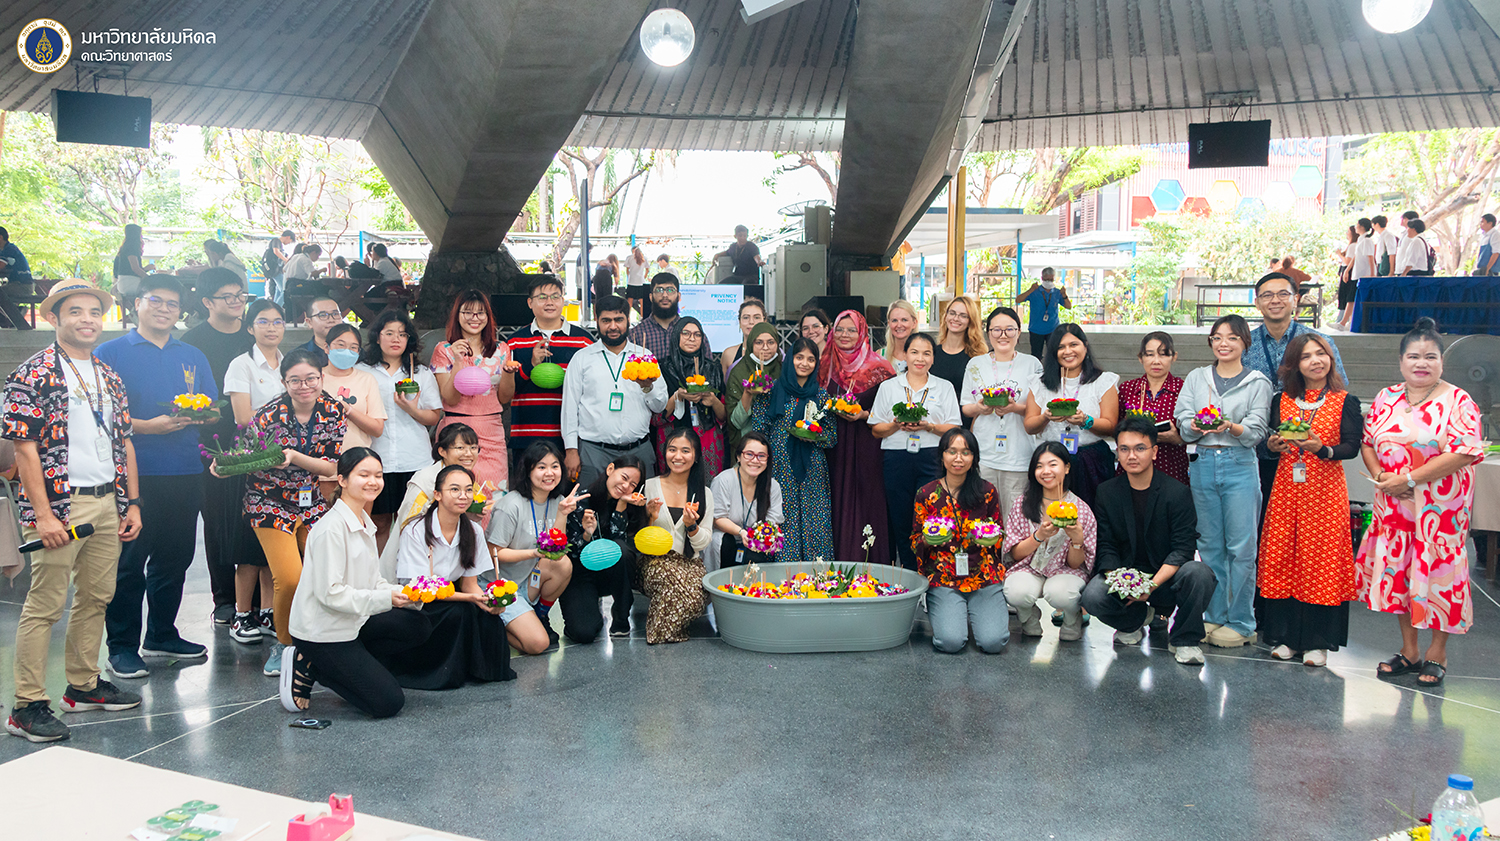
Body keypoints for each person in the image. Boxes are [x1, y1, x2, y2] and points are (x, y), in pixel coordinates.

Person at [3, 280, 143, 743]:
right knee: (45, 604)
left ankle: (82, 685)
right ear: (54, 318)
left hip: (107, 500)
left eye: (93, 312)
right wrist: (43, 515)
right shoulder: (34, 372)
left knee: (97, 596)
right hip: (62, 503)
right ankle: (26, 705)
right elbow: (23, 449)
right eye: (75, 312)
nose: (87, 319)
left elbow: (123, 441)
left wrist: (132, 502)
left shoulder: (108, 374)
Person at [95, 275, 218, 680]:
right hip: (134, 474)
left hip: (185, 468)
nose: (165, 309)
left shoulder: (193, 355)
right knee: (129, 562)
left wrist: (197, 414)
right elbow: (98, 415)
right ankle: (122, 646)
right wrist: (146, 426)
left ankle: (162, 633)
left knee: (175, 557)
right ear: (137, 304)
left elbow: (214, 410)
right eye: (156, 301)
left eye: (172, 303)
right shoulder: (109, 353)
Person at [1358, 318, 1484, 688]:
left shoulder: (1458, 400)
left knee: (1438, 579)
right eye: (1413, 356)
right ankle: (1409, 649)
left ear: (1442, 362)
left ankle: (1437, 653)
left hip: (1440, 512)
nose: (1421, 363)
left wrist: (1410, 478)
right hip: (1394, 509)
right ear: (1401, 361)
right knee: (1400, 575)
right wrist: (1382, 476)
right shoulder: (1387, 396)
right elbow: (1368, 443)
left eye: (1430, 357)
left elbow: (1465, 452)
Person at [281, 449, 431, 718]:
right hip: (322, 633)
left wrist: (405, 592)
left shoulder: (364, 521)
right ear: (342, 480)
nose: (373, 481)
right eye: (363, 475)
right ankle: (312, 663)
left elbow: (374, 581)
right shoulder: (331, 529)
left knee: (417, 625)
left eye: (378, 475)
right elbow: (331, 595)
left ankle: (345, 665)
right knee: (388, 703)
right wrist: (387, 600)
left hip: (353, 622)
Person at [222, 348, 345, 677]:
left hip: (311, 500)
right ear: (283, 382)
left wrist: (293, 456)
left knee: (324, 568)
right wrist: (225, 464)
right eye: (295, 380)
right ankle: (285, 644)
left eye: (311, 379)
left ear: (321, 377)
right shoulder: (268, 414)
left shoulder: (333, 410)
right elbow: (243, 455)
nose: (304, 386)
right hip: (268, 501)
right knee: (289, 578)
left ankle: (323, 638)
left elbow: (332, 466)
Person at [1260, 333, 1363, 667]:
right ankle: (1287, 637)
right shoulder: (1282, 400)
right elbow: (1270, 441)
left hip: (1325, 493)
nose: (1316, 361)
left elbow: (1351, 446)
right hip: (1287, 492)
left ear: (1331, 359)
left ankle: (1317, 641)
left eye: (1322, 354)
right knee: (1283, 558)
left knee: (1320, 564)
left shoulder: (1344, 400)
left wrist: (1323, 450)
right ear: (1295, 364)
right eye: (1306, 356)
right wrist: (1273, 446)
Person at [1081, 415, 1215, 665]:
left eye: (1140, 448)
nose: (1132, 456)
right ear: (1117, 453)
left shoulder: (1177, 493)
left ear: (1154, 452)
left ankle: (1185, 639)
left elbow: (1183, 549)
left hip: (1166, 575)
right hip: (1127, 576)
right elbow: (1106, 545)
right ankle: (1135, 620)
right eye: (1124, 449)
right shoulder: (1107, 492)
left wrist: (1150, 586)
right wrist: (1122, 583)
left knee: (1199, 573)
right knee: (1093, 595)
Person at [1175, 314, 1272, 649]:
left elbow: (1257, 431)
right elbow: (1183, 420)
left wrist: (1229, 427)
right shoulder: (1197, 377)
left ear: (1245, 341)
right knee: (1210, 547)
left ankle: (1243, 621)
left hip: (1239, 464)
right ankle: (1215, 615)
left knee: (1241, 548)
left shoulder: (1258, 381)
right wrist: (1197, 427)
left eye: (1232, 337)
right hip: (1201, 462)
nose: (1224, 344)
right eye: (1217, 337)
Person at [384, 463, 515, 689]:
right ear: (437, 495)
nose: (463, 496)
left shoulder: (473, 530)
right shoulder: (415, 529)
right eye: (454, 490)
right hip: (419, 601)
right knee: (458, 611)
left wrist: (488, 602)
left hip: (455, 595)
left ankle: (477, 671)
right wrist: (470, 599)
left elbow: (470, 584)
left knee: (490, 617)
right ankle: (439, 675)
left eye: (468, 490)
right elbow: (419, 589)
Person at [181, 268, 255, 624]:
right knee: (217, 519)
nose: (237, 302)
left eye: (240, 294)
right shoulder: (192, 342)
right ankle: (223, 597)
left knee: (254, 516)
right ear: (207, 302)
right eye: (228, 296)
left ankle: (255, 599)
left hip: (258, 442)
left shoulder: (253, 337)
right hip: (211, 443)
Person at [1245, 272, 1347, 514]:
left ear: (1296, 299)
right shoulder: (1245, 344)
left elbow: (1337, 389)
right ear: (1257, 302)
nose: (1275, 300)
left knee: (1310, 522)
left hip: (1309, 449)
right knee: (1263, 521)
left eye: (1283, 294)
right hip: (1258, 448)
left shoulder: (1320, 342)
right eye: (1267, 295)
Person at [869, 332, 961, 569]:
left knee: (933, 518)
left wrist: (929, 426)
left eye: (926, 353)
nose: (920, 358)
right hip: (896, 457)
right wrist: (895, 425)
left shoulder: (944, 387)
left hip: (932, 457)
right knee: (901, 520)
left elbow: (954, 427)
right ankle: (910, 573)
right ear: (905, 356)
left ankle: (934, 572)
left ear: (933, 359)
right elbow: (876, 430)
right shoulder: (889, 387)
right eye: (915, 352)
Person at [221, 299, 284, 643]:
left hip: (286, 463)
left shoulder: (289, 365)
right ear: (250, 327)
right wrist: (283, 425)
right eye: (263, 321)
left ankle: (268, 613)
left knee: (272, 541)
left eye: (277, 321)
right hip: (252, 460)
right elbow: (244, 417)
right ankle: (241, 614)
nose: (271, 327)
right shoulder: (241, 365)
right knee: (248, 544)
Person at [914, 428, 1009, 653]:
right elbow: (915, 540)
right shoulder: (927, 494)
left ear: (974, 457)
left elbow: (999, 533)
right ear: (942, 456)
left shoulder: (987, 491)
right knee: (950, 643)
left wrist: (990, 538)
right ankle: (949, 610)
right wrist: (928, 540)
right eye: (952, 451)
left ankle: (976, 610)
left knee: (993, 643)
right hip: (943, 575)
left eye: (966, 452)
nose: (958, 458)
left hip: (983, 574)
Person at [485, 442, 583, 653]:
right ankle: (491, 621)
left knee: (563, 563)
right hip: (500, 585)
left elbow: (557, 547)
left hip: (528, 581)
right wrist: (533, 553)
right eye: (541, 467)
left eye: (555, 466)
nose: (549, 473)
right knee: (538, 645)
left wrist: (562, 514)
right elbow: (494, 554)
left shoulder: (557, 501)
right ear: (527, 470)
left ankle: (539, 615)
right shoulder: (510, 505)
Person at [563, 295, 668, 489]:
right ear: (597, 321)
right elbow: (570, 408)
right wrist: (571, 450)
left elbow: (660, 406)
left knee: (640, 512)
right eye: (606, 320)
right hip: (593, 452)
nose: (613, 326)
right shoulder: (582, 358)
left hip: (638, 451)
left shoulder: (644, 357)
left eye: (618, 320)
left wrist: (647, 387)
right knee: (589, 512)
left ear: (628, 321)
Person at [747, 339, 837, 564]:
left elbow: (832, 438)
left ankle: (818, 576)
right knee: (782, 518)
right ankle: (784, 576)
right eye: (799, 357)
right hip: (779, 467)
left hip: (812, 469)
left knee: (815, 520)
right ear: (790, 360)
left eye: (810, 359)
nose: (804, 363)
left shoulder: (821, 396)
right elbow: (758, 430)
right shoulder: (771, 391)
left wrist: (813, 436)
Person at [357, 309, 441, 549]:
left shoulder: (421, 373)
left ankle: (411, 580)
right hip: (376, 458)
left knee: (413, 522)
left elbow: (433, 416)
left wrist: (411, 409)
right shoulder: (363, 371)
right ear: (377, 337)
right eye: (389, 333)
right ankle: (380, 578)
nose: (396, 339)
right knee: (379, 522)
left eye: (402, 335)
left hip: (414, 458)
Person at [821, 310, 896, 563]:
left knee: (867, 499)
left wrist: (864, 415)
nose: (845, 335)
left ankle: (870, 563)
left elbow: (891, 408)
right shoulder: (824, 363)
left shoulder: (880, 368)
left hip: (867, 443)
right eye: (840, 329)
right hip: (832, 445)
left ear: (862, 333)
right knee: (834, 498)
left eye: (851, 330)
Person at [1001, 441, 1095, 641]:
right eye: (1039, 466)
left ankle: (1072, 618)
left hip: (1065, 571)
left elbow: (1076, 564)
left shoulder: (1080, 509)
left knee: (1061, 593)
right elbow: (1014, 554)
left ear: (1067, 467)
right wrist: (1038, 536)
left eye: (1053, 464)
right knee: (1016, 592)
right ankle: (1028, 616)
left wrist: (1077, 541)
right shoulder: (1023, 503)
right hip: (1028, 567)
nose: (1046, 471)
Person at [377, 422, 494, 576]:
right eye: (460, 448)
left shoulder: (469, 479)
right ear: (442, 451)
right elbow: (408, 522)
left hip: (455, 563)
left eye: (473, 448)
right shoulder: (424, 481)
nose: (468, 454)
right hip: (420, 560)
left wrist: (471, 515)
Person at [1023, 323, 1119, 508]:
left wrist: (1086, 421)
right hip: (1050, 460)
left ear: (1085, 345)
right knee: (1049, 512)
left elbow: (1111, 426)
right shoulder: (1040, 383)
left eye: (1073, 345)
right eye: (1060, 347)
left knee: (1093, 513)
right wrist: (1045, 418)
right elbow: (1029, 425)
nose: (1068, 351)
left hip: (1091, 459)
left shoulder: (1102, 381)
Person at [505, 274, 594, 473]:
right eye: (542, 297)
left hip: (569, 440)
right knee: (526, 495)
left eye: (555, 296)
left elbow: (592, 390)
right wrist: (530, 365)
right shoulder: (514, 342)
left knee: (566, 497)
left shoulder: (583, 341)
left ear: (563, 300)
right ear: (530, 302)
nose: (549, 302)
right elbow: (507, 393)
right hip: (526, 436)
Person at [961, 305, 1043, 513]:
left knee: (1015, 517)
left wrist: (1016, 408)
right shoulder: (975, 364)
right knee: (982, 515)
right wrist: (979, 407)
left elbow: (1040, 410)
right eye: (996, 330)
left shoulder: (1032, 364)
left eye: (1010, 329)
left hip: (1019, 454)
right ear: (988, 333)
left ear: (1019, 332)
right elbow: (966, 408)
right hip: (984, 452)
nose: (1003, 335)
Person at [431, 290, 514, 493]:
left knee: (495, 493)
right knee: (458, 492)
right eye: (467, 312)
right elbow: (449, 397)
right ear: (457, 316)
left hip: (492, 429)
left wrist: (508, 373)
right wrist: (458, 361)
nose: (474, 318)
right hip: (456, 430)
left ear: (488, 317)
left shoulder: (502, 349)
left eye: (480, 313)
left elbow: (504, 398)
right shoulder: (444, 350)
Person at [638, 428, 714, 643]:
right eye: (672, 450)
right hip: (655, 561)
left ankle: (665, 628)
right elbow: (639, 537)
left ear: (696, 455)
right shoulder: (649, 486)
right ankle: (660, 632)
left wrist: (692, 527)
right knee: (674, 583)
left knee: (696, 599)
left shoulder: (704, 493)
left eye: (685, 451)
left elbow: (703, 542)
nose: (678, 456)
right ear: (665, 452)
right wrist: (650, 519)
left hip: (689, 562)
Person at [563, 455, 649, 641]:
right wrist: (587, 534)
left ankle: (621, 615)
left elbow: (621, 547)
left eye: (633, 484)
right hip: (581, 574)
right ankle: (592, 610)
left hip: (609, 574)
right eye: (624, 478)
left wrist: (621, 507)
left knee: (623, 551)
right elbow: (570, 553)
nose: (626, 486)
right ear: (610, 469)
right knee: (583, 633)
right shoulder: (581, 501)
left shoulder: (629, 503)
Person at [656, 317, 727, 475]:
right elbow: (656, 418)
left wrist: (713, 400)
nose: (692, 338)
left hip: (706, 438)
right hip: (672, 437)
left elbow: (724, 416)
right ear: (676, 337)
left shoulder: (713, 368)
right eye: (686, 333)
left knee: (706, 490)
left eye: (697, 334)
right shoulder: (662, 369)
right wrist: (677, 398)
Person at [1115, 332, 1188, 485]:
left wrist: (1178, 439)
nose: (1156, 361)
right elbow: (1115, 427)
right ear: (1140, 358)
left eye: (1163, 355)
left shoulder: (1184, 389)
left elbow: (1194, 429)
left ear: (1174, 357)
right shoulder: (1127, 389)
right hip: (1133, 464)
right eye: (1149, 355)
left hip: (1171, 464)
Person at [710, 432, 783, 571]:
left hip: (753, 545)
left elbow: (773, 522)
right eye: (749, 454)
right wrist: (742, 532)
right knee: (725, 542)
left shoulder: (773, 486)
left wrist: (761, 538)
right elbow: (717, 518)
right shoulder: (724, 480)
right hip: (726, 542)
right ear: (738, 456)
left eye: (761, 456)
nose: (755, 460)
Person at [321, 323, 387, 450]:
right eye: (341, 345)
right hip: (320, 459)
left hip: (357, 459)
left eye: (353, 347)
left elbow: (377, 429)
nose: (347, 351)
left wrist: (349, 411)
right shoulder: (314, 378)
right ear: (326, 347)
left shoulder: (366, 379)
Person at [725, 321, 782, 455]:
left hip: (779, 444)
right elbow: (736, 423)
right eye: (759, 342)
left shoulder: (785, 369)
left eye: (771, 342)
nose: (765, 347)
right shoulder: (738, 373)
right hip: (748, 443)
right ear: (751, 344)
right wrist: (748, 394)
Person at [933, 295, 987, 405]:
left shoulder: (977, 357)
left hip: (965, 417)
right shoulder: (932, 353)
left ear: (970, 321)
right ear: (946, 316)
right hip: (934, 418)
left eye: (963, 316)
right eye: (952, 313)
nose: (956, 318)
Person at [1017, 267, 1070, 358]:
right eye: (1046, 279)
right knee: (1036, 355)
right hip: (1036, 329)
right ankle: (1037, 371)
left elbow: (1068, 306)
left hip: (1053, 328)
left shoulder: (1057, 292)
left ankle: (1052, 371)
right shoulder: (1035, 291)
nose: (1049, 281)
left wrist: (1064, 295)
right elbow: (1018, 300)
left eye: (1051, 279)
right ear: (1042, 278)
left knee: (1053, 355)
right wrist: (1031, 290)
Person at [1336, 218, 1377, 332]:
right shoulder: (1361, 240)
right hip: (1357, 273)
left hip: (1364, 275)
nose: (1355, 227)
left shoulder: (1367, 241)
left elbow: (1370, 258)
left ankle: (1343, 323)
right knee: (1352, 298)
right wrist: (1347, 270)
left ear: (1362, 227)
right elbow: (1356, 257)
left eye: (1357, 225)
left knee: (1352, 299)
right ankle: (1347, 322)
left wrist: (1373, 275)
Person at [630, 272, 681, 361]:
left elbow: (707, 369)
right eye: (659, 290)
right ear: (651, 297)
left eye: (670, 290)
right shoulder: (636, 334)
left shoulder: (690, 333)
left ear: (678, 296)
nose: (665, 295)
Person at [719, 298, 768, 381]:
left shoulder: (776, 353)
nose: (751, 322)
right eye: (746, 318)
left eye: (756, 317)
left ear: (764, 321)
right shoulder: (729, 354)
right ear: (739, 322)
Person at [112, 224, 153, 320]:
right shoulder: (132, 248)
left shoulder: (125, 248)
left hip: (123, 282)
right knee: (155, 289)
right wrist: (149, 278)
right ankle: (141, 314)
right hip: (129, 283)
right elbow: (135, 268)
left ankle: (134, 312)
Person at [0, 226, 36, 330]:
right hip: (19, 285)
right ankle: (13, 314)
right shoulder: (6, 249)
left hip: (22, 286)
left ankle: (16, 313)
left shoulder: (9, 250)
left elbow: (1, 265)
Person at [882, 299, 920, 373]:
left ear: (914, 323)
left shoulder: (924, 356)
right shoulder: (880, 355)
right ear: (889, 323)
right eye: (894, 320)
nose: (899, 325)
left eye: (904, 320)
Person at [625, 246, 650, 316]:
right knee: (642, 303)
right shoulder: (644, 258)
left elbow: (627, 269)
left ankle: (628, 318)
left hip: (632, 282)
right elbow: (647, 269)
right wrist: (644, 277)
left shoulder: (629, 258)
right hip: (641, 282)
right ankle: (642, 317)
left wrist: (629, 276)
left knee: (629, 302)